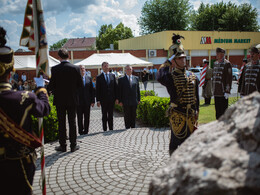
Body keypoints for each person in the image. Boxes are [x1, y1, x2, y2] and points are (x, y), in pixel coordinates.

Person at [0, 26, 50, 195]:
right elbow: (44, 110)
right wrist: (41, 90)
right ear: (11, 70)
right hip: (18, 166)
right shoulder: (24, 98)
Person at [157, 33, 199, 155]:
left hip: (191, 115)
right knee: (175, 143)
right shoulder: (170, 77)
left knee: (190, 144)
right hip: (177, 116)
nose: (183, 60)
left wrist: (197, 111)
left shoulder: (193, 76)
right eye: (180, 58)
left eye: (184, 58)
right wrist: (169, 60)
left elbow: (196, 96)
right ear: (174, 61)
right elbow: (159, 75)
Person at [48, 48, 83, 152]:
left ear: (58, 57)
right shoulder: (75, 68)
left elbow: (51, 86)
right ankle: (73, 145)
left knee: (61, 123)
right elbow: (80, 85)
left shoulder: (54, 69)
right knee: (72, 122)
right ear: (69, 56)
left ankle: (63, 145)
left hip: (60, 100)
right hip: (72, 99)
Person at [96, 61, 118, 131]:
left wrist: (117, 98)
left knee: (111, 114)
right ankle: (105, 129)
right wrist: (98, 100)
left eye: (107, 66)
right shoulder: (99, 77)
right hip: (103, 99)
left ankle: (111, 128)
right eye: (105, 66)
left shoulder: (112, 75)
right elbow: (97, 90)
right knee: (104, 114)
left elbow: (115, 87)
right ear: (102, 67)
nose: (106, 67)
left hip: (111, 99)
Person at [212, 47, 232, 119]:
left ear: (222, 54)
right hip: (216, 92)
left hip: (223, 92)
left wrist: (227, 91)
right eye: (216, 53)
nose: (217, 55)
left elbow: (229, 78)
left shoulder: (227, 64)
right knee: (217, 111)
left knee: (223, 111)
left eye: (218, 53)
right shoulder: (215, 63)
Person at [77, 65, 95, 135]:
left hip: (87, 102)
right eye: (81, 69)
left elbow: (92, 90)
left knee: (87, 117)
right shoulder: (76, 79)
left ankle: (86, 131)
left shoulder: (89, 78)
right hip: (79, 102)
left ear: (85, 69)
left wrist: (93, 101)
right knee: (79, 118)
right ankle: (80, 131)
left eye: (83, 68)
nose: (82, 70)